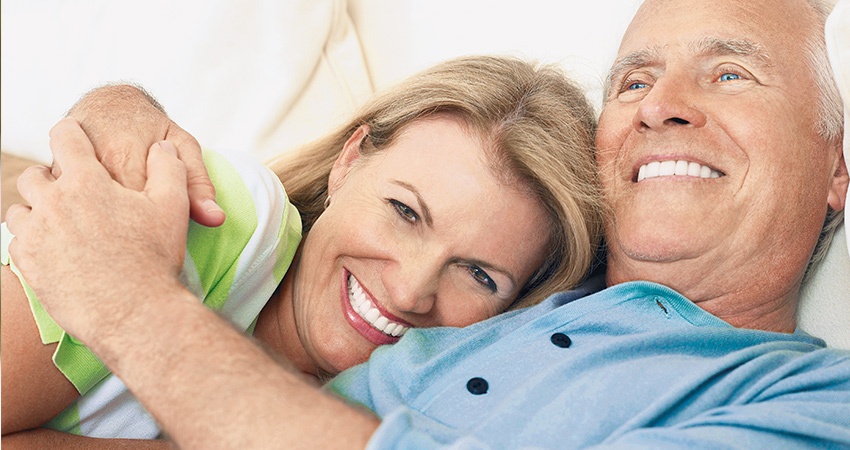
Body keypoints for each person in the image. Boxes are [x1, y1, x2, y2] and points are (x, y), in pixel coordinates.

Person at [5, 0, 850, 447]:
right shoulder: (535, 280)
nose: (661, 106)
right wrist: (116, 118)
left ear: (837, 165)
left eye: (732, 73)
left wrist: (128, 304)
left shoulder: (816, 403)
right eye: (630, 84)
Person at [1, 55, 604, 446]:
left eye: (479, 274)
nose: (410, 290)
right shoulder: (229, 217)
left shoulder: (400, 417)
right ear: (348, 164)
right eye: (405, 212)